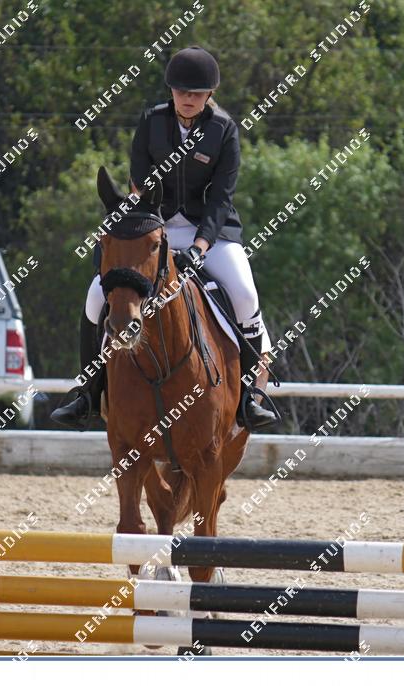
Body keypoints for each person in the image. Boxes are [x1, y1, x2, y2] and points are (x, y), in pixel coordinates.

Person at [52, 45, 277, 430]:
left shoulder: (224, 130)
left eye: (197, 93)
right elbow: (139, 184)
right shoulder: (152, 122)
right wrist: (144, 231)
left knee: (244, 294)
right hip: (155, 227)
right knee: (95, 297)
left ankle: (248, 398)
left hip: (211, 232)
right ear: (171, 90)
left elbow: (221, 198)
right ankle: (87, 393)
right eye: (181, 91)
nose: (188, 99)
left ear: (209, 94)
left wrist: (200, 247)